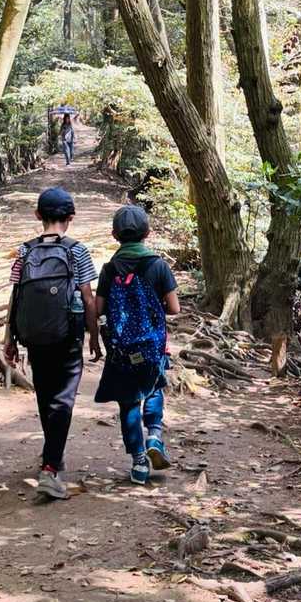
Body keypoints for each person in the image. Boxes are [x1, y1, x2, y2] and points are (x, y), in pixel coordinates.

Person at [3, 186, 101, 500]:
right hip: (68, 336)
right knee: (64, 400)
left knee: (46, 397)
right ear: (71, 217)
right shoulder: (77, 251)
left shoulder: (24, 251)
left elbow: (16, 296)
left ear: (37, 215)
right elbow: (88, 298)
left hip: (34, 336)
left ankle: (52, 457)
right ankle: (50, 469)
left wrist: (9, 339)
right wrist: (94, 336)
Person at [94, 204, 179, 485]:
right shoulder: (158, 265)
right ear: (147, 233)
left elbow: (98, 309)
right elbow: (174, 308)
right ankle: (154, 434)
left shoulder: (109, 270)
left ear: (114, 235)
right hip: (153, 345)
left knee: (128, 402)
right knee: (154, 387)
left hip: (122, 350)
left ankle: (139, 462)